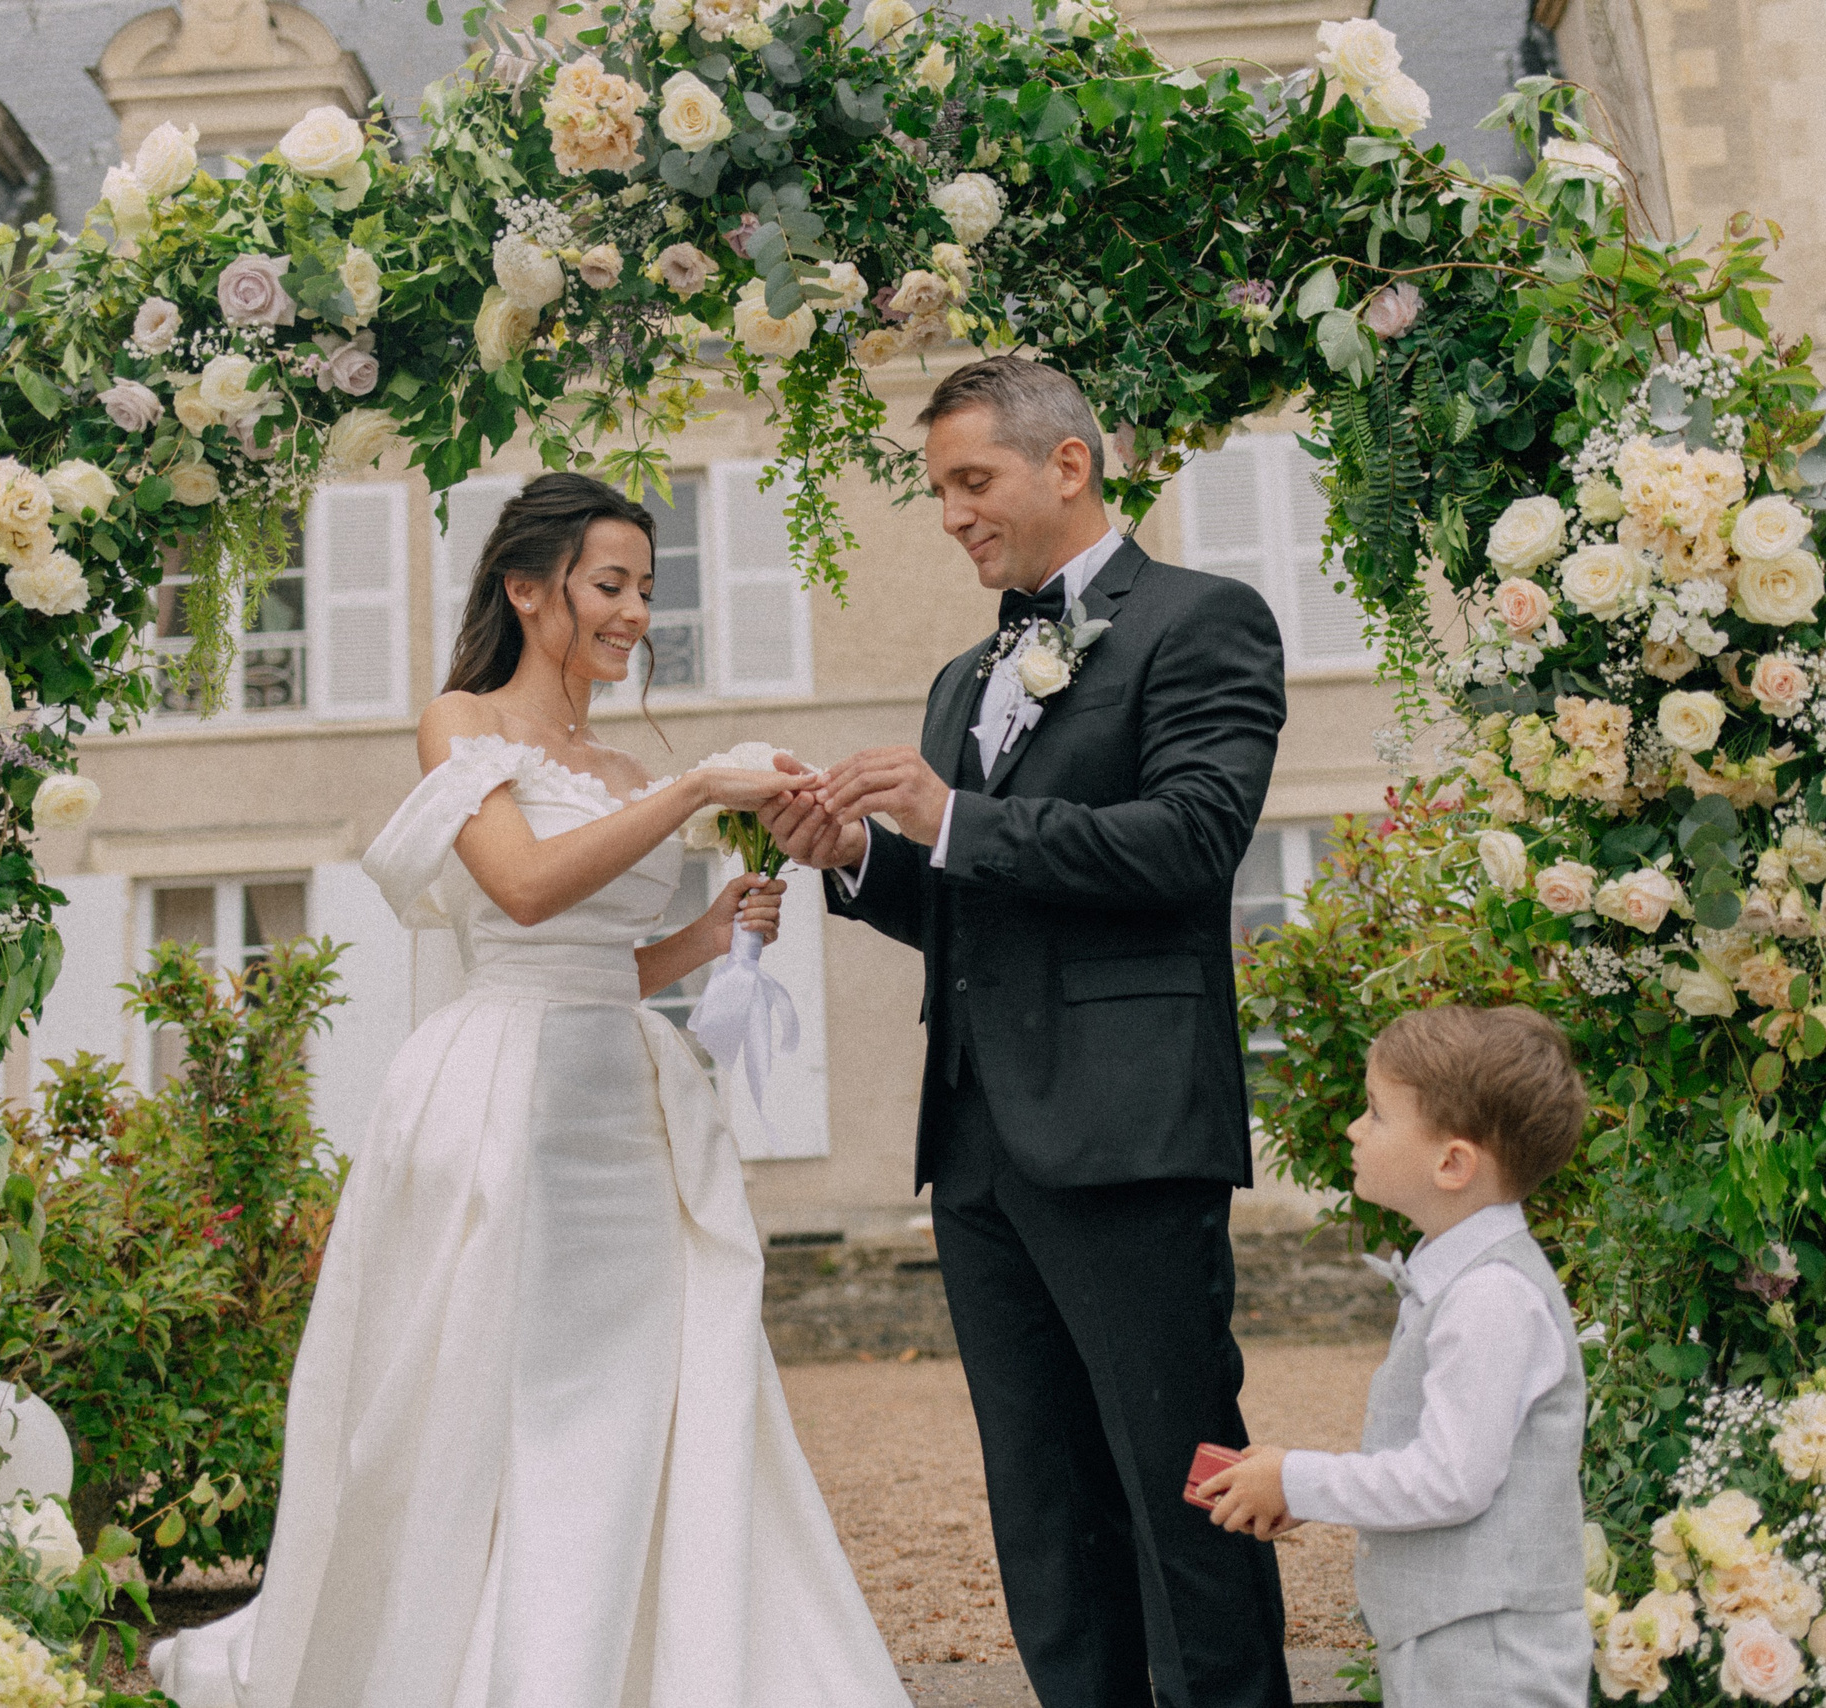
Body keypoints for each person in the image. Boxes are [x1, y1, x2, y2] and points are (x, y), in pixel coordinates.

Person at [152, 472, 912, 1708]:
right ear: (526, 585)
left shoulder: (620, 761)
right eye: (608, 585)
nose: (631, 613)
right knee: (501, 1397)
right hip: (506, 1101)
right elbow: (519, 893)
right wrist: (695, 791)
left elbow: (606, 961)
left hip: (621, 1100)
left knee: (633, 1401)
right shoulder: (460, 724)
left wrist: (707, 934)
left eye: (646, 591)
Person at [765, 355, 1293, 1708]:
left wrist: (953, 819)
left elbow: (1189, 843)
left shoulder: (1205, 621)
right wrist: (856, 862)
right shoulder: (961, 680)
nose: (951, 514)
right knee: (1042, 1507)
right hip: (981, 1146)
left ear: (1069, 463)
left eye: (971, 481)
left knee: (1180, 1488)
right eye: (939, 490)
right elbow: (969, 912)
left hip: (1125, 1130)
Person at [1196, 1004, 1592, 1708]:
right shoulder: (1456, 1278)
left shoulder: (1491, 1298)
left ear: (1452, 1163)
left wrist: (1301, 1480)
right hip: (1454, 1638)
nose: (1354, 1128)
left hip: (1489, 1655)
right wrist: (1302, 1490)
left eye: (1376, 1113)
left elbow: (1449, 1481)